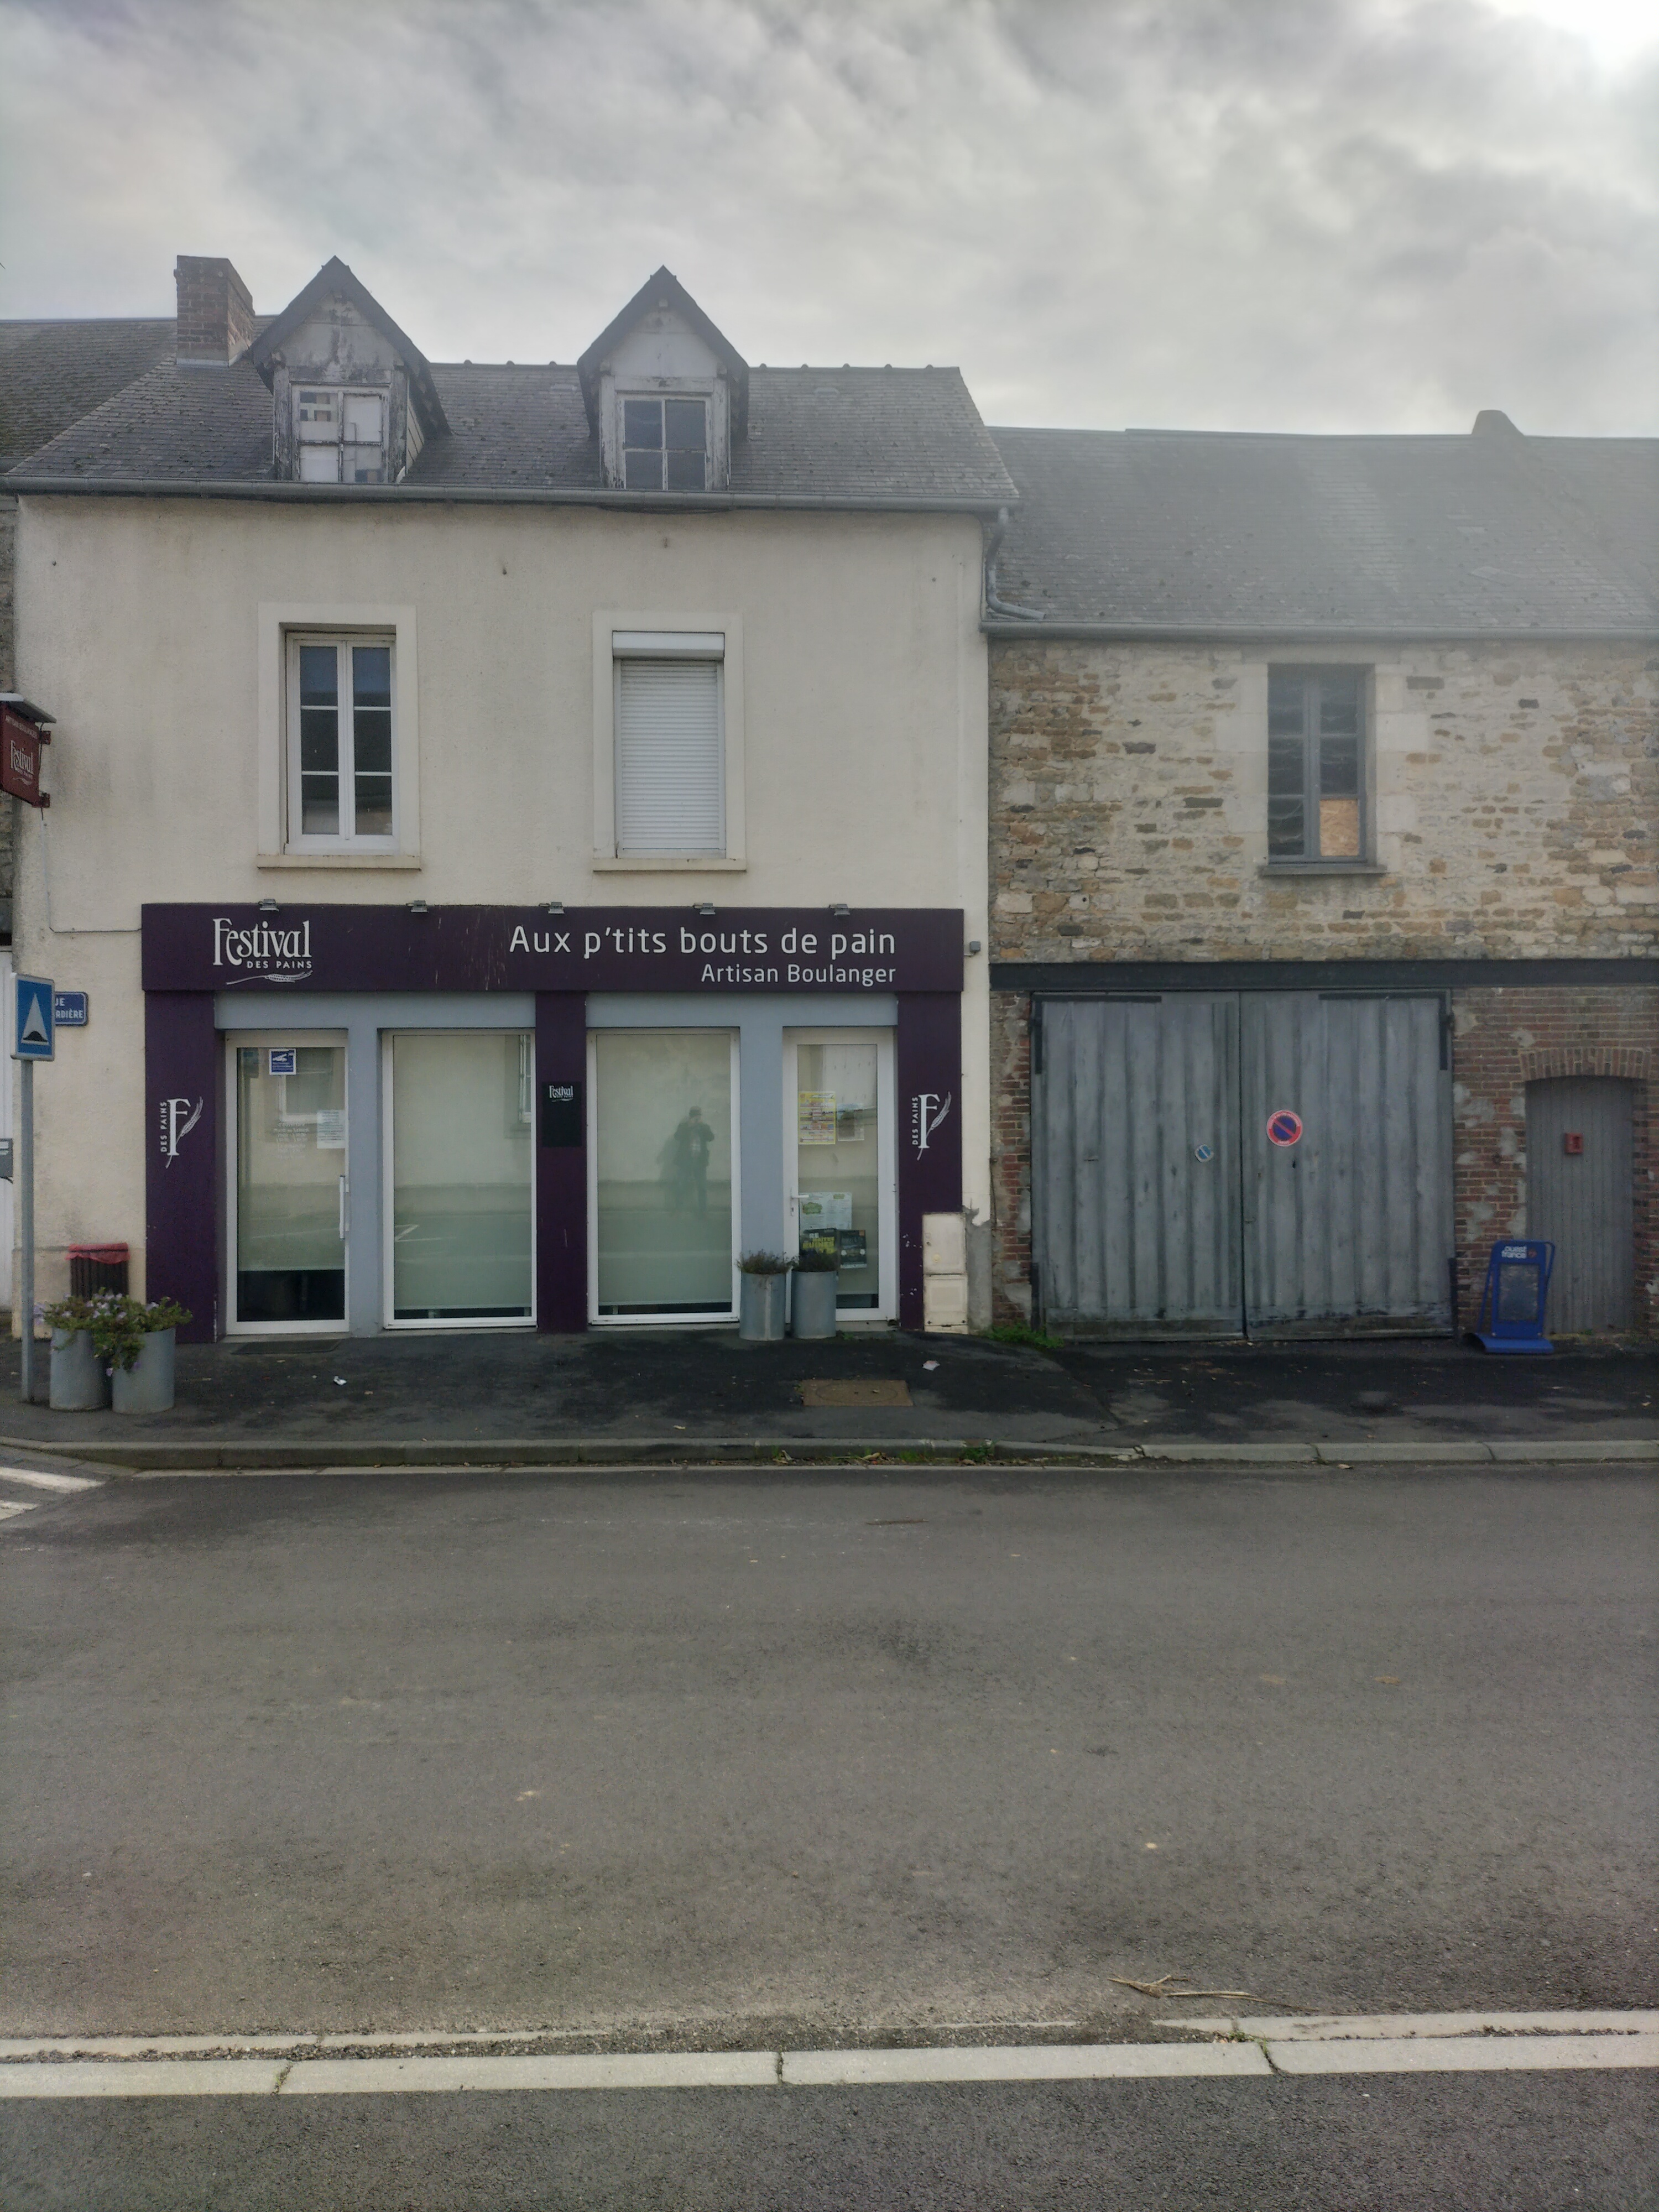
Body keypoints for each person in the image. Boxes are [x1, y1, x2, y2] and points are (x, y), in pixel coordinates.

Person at [669, 1105, 714, 1213]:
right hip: (686, 1162)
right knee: (681, 1187)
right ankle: (678, 1210)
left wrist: (702, 1126)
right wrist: (689, 1126)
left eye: (698, 1116)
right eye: (694, 1116)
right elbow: (677, 1137)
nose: (696, 1118)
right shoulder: (684, 1126)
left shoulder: (704, 1127)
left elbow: (711, 1138)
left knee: (702, 1188)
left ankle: (703, 1212)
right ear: (690, 1117)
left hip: (700, 1162)